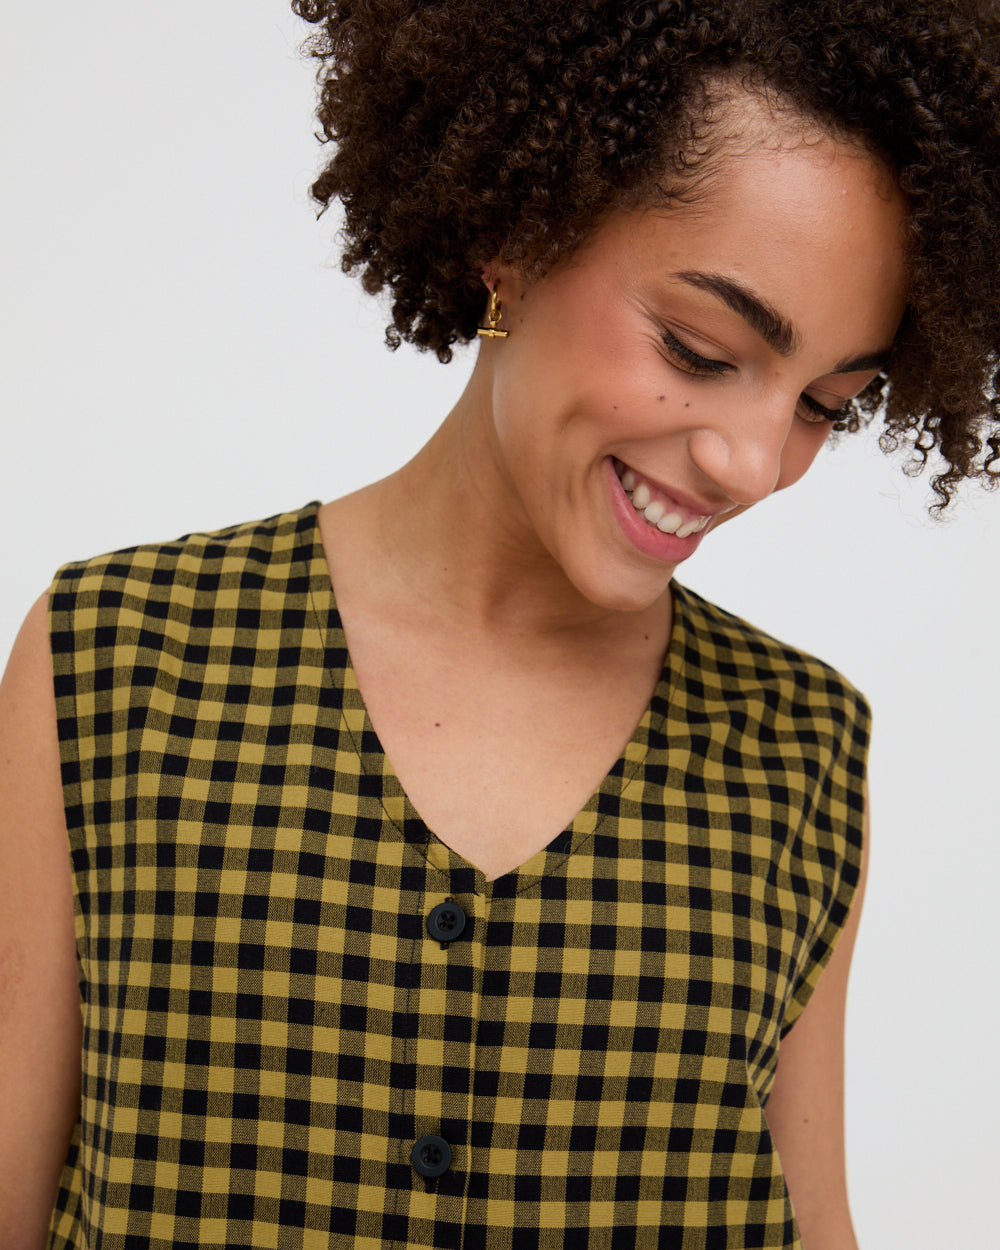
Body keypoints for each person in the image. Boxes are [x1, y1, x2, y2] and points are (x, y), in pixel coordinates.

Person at [1, 1, 998, 1247]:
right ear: (514, 235)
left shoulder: (795, 745)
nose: (751, 461)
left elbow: (810, 1218)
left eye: (824, 404)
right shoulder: (112, 658)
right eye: (698, 348)